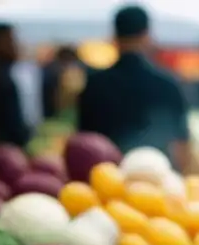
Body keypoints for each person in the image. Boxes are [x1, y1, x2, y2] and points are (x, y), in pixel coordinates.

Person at [77, 5, 191, 172]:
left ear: (114, 37)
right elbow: (182, 145)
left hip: (108, 182)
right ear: (147, 35)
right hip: (158, 178)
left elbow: (84, 142)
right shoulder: (168, 83)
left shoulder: (95, 84)